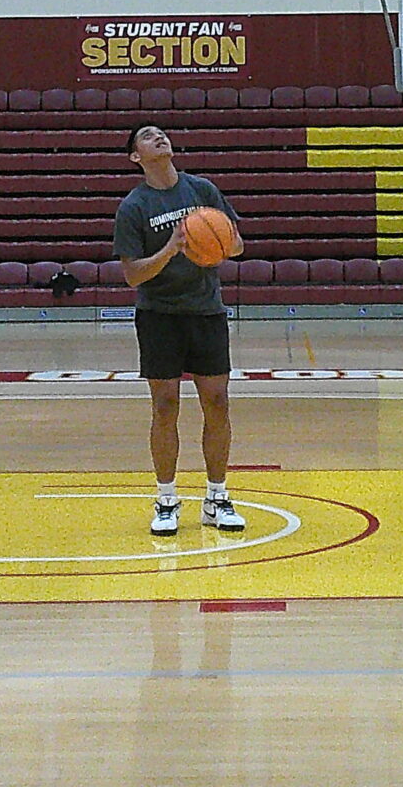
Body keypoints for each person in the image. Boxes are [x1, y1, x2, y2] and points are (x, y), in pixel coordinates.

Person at [115, 123, 246, 536]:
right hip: (159, 315)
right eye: (148, 136)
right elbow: (132, 275)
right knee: (165, 405)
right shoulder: (134, 207)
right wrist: (171, 249)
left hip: (205, 310)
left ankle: (217, 497)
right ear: (136, 156)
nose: (160, 137)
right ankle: (166, 499)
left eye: (161, 133)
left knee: (218, 401)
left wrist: (214, 243)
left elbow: (237, 244)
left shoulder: (202, 190)